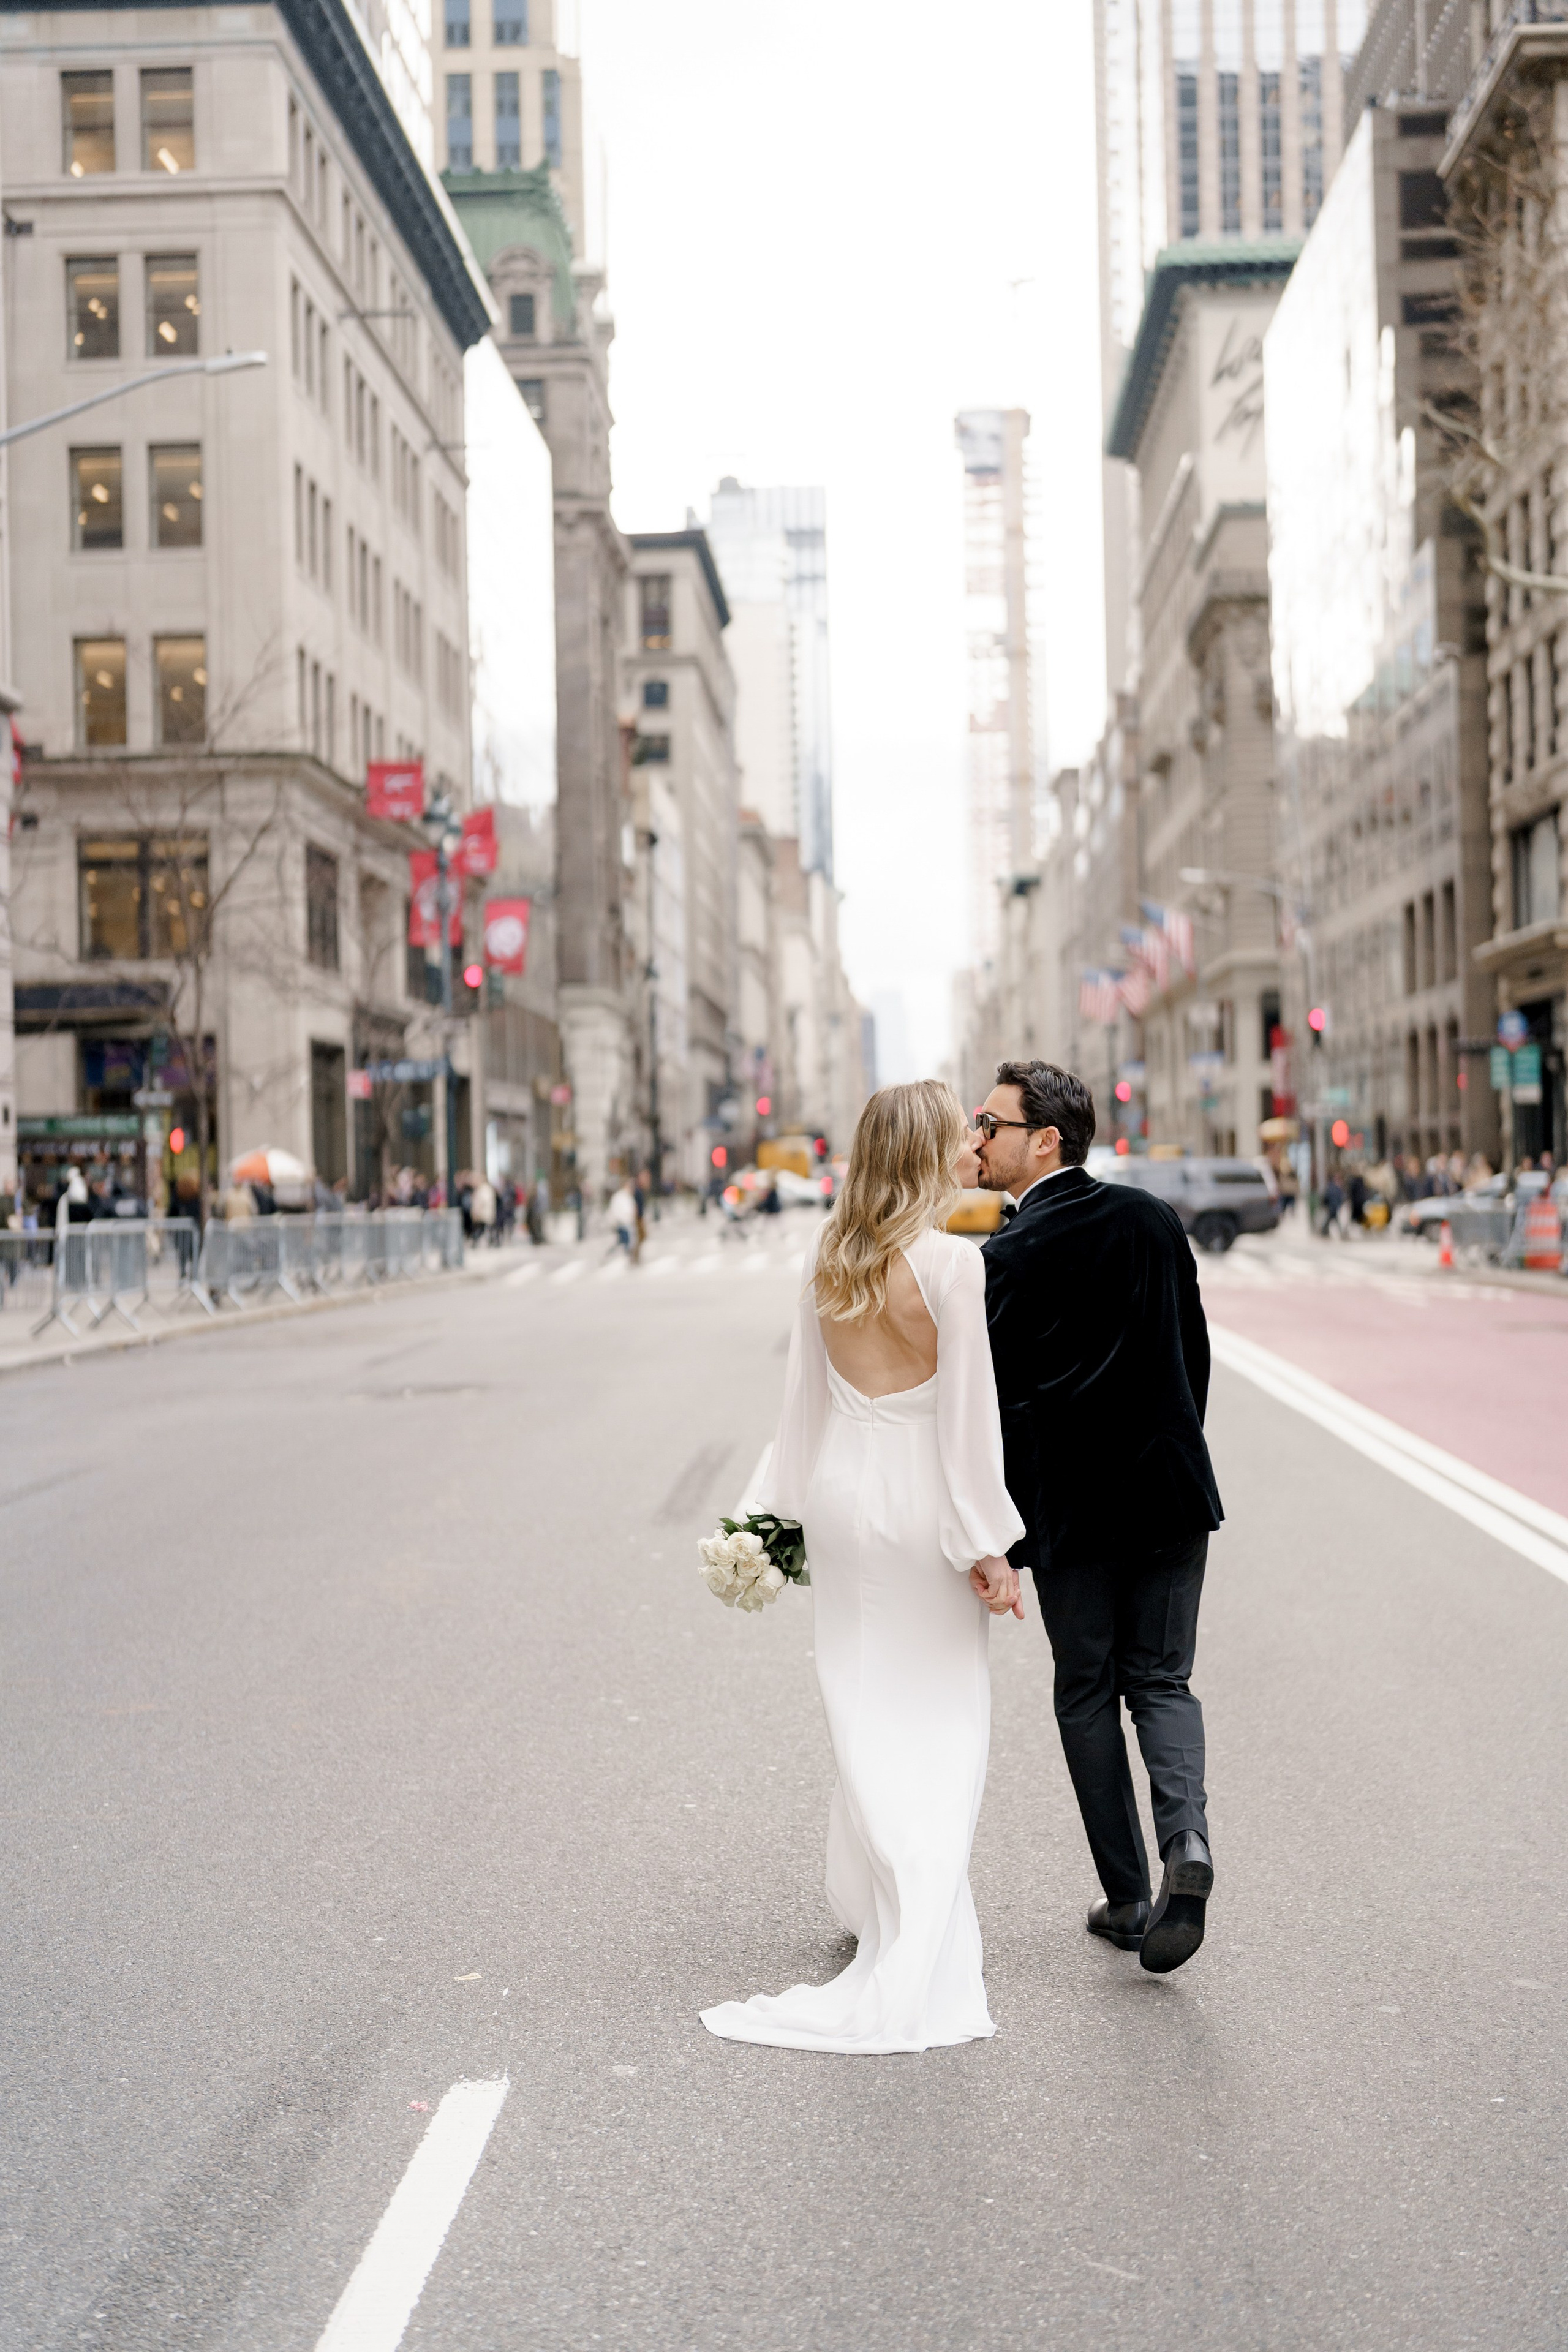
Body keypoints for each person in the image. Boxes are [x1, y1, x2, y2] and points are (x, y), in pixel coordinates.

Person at [701, 1080, 1025, 2054]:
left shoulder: (830, 1259)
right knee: (944, 1714)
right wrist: (988, 1548)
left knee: (861, 1702)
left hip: (843, 1502)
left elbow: (801, 1409)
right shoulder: (954, 1268)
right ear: (926, 1154)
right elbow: (970, 1423)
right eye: (955, 1138)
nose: (966, 1148)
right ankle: (911, 1908)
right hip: (923, 1502)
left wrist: (767, 1521)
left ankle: (875, 1891)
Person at [975, 1059, 1222, 1977]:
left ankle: (1128, 1897)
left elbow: (995, 1406)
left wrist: (997, 1529)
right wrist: (1172, 1448)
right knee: (1162, 1680)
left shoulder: (1007, 1256)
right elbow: (1192, 1358)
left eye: (991, 1124)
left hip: (1076, 1514)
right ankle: (1186, 1848)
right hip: (1169, 1493)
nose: (978, 1137)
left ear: (1045, 1138)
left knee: (1086, 1692)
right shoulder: (1151, 1218)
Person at [606, 1176, 638, 1261]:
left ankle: (624, 1258)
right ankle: (622, 1258)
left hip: (627, 1223)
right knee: (625, 1242)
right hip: (622, 1223)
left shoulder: (628, 1196)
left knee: (625, 1242)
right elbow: (619, 1211)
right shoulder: (621, 1196)